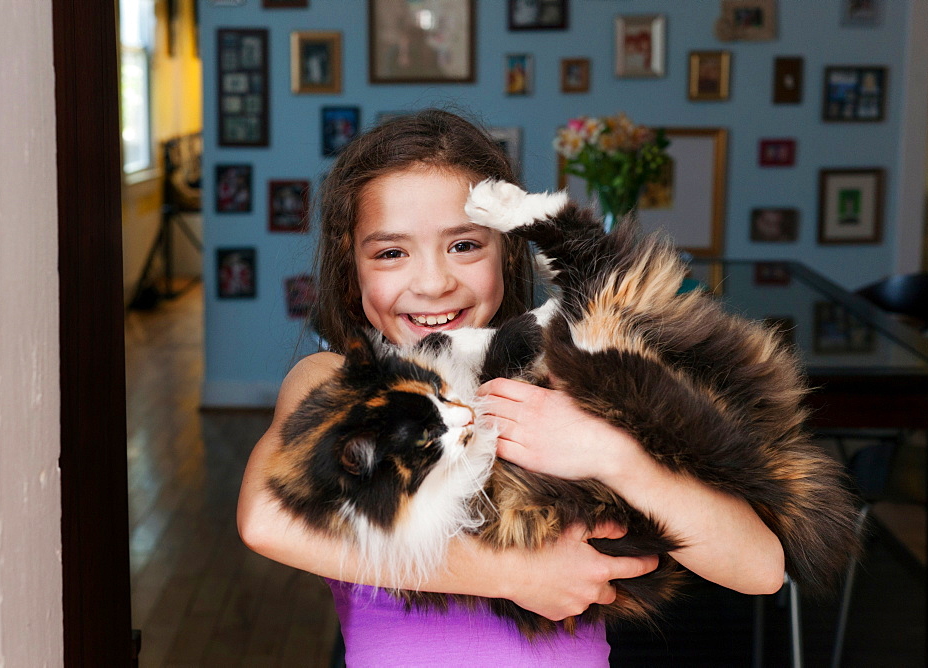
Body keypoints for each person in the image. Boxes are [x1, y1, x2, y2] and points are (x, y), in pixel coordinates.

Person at [236, 109, 785, 666]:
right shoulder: (334, 385)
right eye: (392, 252)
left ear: (507, 250)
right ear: (352, 271)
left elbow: (761, 569)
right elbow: (265, 519)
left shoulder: (569, 375)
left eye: (464, 245)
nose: (433, 282)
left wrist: (611, 453)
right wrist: (513, 574)